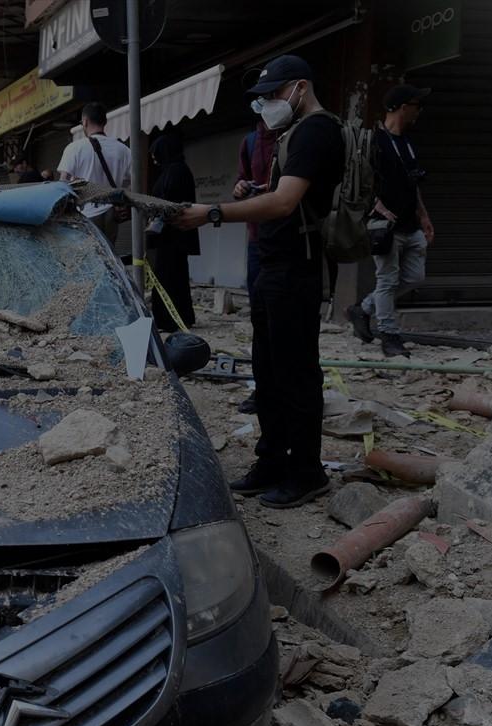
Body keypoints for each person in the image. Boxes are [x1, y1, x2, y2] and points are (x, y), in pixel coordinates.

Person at [173, 54, 344, 509]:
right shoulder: (289, 134)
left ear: (300, 88)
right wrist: (252, 192)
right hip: (271, 264)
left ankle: (307, 472)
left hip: (295, 268)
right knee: (267, 371)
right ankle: (271, 459)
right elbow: (282, 195)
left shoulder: (317, 130)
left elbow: (287, 204)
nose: (267, 103)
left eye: (273, 94)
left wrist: (212, 212)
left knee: (297, 374)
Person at [347, 84, 435, 358]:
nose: (419, 110)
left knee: (414, 277)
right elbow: (357, 182)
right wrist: (377, 205)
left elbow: (413, 184)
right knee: (387, 280)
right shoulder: (374, 141)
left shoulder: (408, 144)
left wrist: (423, 215)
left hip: (410, 223)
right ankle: (390, 336)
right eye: (415, 104)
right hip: (383, 227)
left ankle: (363, 309)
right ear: (400, 107)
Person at [232, 120, 280, 415]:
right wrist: (240, 188)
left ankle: (285, 391)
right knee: (260, 320)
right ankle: (263, 391)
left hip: (290, 244)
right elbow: (241, 180)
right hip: (257, 240)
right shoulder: (250, 142)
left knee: (285, 321)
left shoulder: (300, 135)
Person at [57, 102, 133, 241]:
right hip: (112, 214)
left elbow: (63, 184)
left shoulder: (74, 148)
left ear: (85, 122)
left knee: (87, 257)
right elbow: (131, 185)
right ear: (105, 122)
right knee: (109, 257)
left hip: (84, 214)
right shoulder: (124, 150)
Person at [147, 133, 198, 331]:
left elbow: (169, 201)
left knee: (167, 276)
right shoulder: (174, 170)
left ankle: (169, 320)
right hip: (172, 236)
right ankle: (179, 317)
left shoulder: (175, 172)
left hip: (172, 235)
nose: (153, 158)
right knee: (173, 276)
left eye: (155, 153)